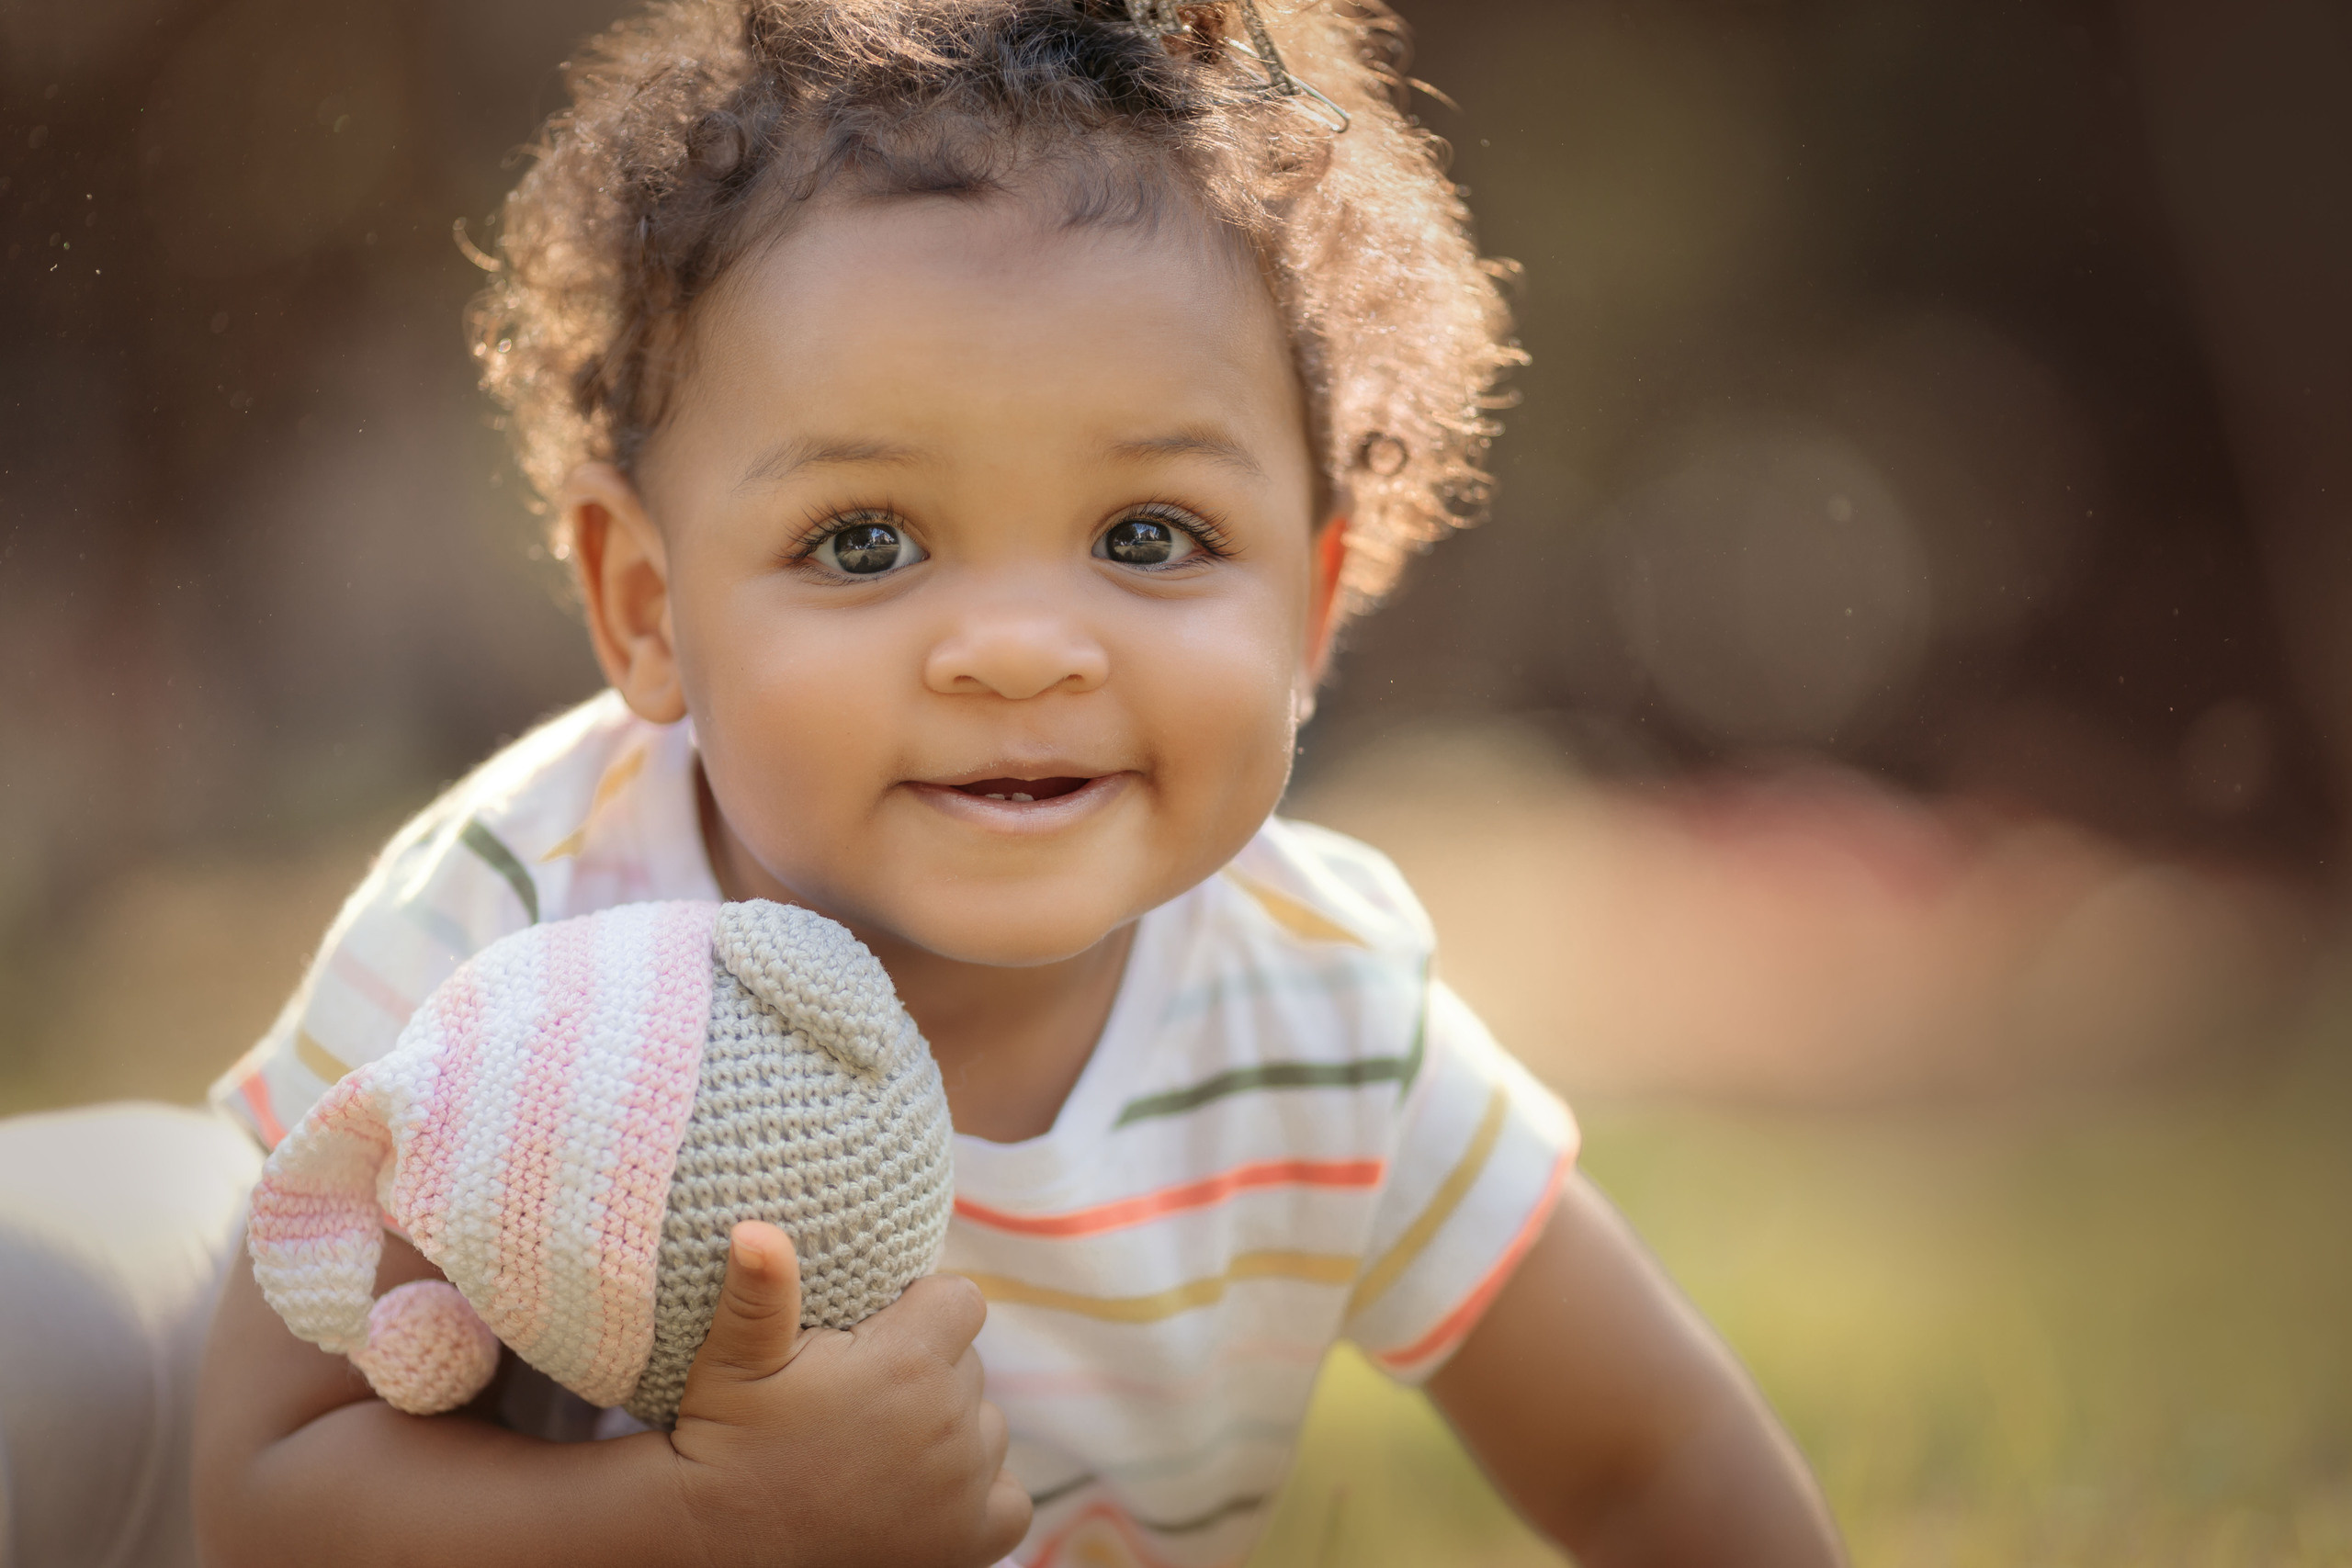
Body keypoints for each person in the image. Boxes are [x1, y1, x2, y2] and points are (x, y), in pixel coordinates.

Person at [192, 2, 1846, 1564]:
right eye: (864, 541)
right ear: (647, 604)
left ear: (1313, 605)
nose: (1018, 652)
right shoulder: (515, 930)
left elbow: (1653, 1460)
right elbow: (259, 1491)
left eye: (1150, 537)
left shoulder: (1323, 1012)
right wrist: (701, 1526)